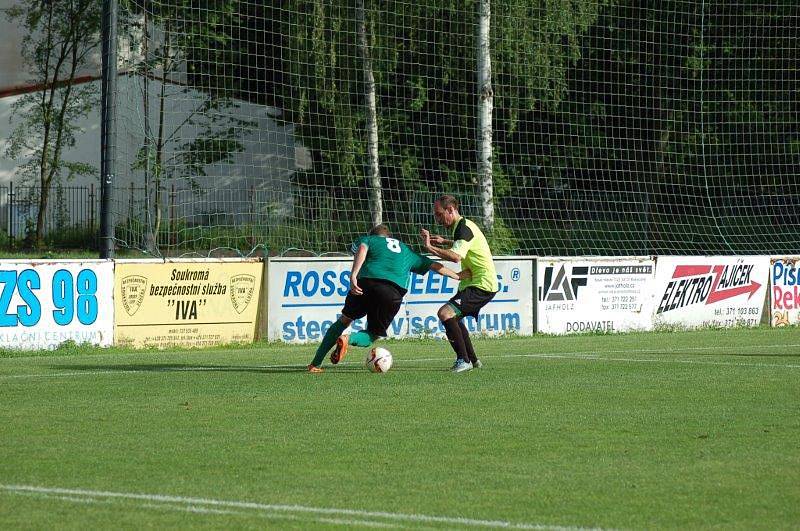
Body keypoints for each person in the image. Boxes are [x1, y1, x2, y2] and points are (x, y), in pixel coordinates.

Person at [308, 224, 467, 373]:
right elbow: (434, 266)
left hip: (365, 283)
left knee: (344, 320)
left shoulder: (368, 239)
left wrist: (353, 275)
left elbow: (362, 248)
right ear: (389, 237)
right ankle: (348, 339)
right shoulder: (406, 250)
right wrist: (457, 276)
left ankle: (315, 363)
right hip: (391, 292)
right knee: (372, 334)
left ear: (374, 236)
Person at [420, 195, 498, 373]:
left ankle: (464, 360)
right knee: (453, 318)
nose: (438, 219)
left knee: (445, 313)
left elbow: (456, 257)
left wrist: (430, 248)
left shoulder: (463, 228)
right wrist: (444, 241)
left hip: (481, 284)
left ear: (451, 210)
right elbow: (464, 243)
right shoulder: (462, 226)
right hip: (473, 282)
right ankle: (473, 359)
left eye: (439, 214)